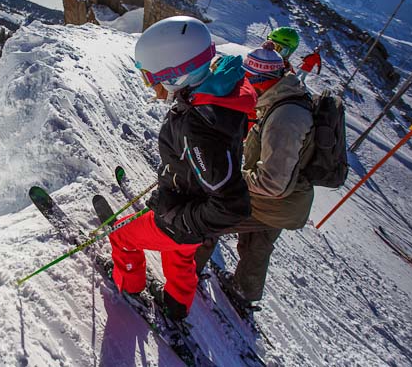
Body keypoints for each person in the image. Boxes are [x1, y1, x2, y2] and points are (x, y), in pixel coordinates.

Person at [107, 16, 257, 321]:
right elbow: (213, 163)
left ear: (178, 74)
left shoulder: (198, 126)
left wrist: (177, 216)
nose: (153, 85)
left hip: (181, 216)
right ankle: (176, 304)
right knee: (180, 256)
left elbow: (232, 206)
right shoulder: (220, 93)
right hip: (190, 209)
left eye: (153, 77)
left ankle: (129, 284)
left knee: (121, 236)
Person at [194, 41, 315, 305]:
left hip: (277, 201)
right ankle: (244, 290)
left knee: (208, 217)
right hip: (290, 202)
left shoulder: (285, 117)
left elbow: (272, 183)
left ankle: (185, 274)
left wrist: (231, 177)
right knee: (257, 244)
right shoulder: (286, 96)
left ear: (261, 80)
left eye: (249, 80)